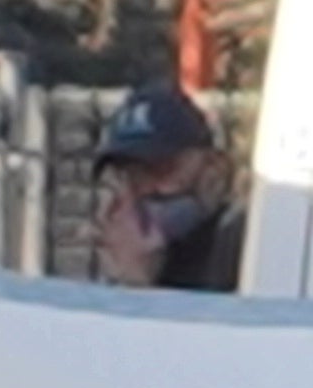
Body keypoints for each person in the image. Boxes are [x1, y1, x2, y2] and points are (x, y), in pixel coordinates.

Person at [91, 87, 241, 291]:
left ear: (214, 168)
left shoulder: (241, 251)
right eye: (130, 176)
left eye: (161, 169)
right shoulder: (147, 255)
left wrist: (138, 283)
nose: (145, 189)